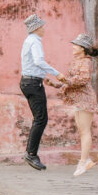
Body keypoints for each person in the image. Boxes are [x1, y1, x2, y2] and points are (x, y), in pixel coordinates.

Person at [20, 14, 67, 171]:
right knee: (41, 119)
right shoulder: (35, 41)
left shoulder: (28, 41)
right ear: (38, 28)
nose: (44, 28)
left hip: (29, 81)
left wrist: (43, 77)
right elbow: (39, 61)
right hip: (33, 83)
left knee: (39, 118)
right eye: (42, 26)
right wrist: (56, 73)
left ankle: (31, 153)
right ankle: (31, 153)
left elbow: (32, 64)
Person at [59, 34, 98, 176]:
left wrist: (65, 81)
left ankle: (83, 162)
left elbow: (82, 79)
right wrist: (57, 83)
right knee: (83, 131)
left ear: (83, 48)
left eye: (76, 45)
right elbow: (71, 80)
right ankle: (85, 160)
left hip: (86, 99)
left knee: (85, 131)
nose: (73, 46)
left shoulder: (85, 62)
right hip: (80, 100)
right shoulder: (77, 61)